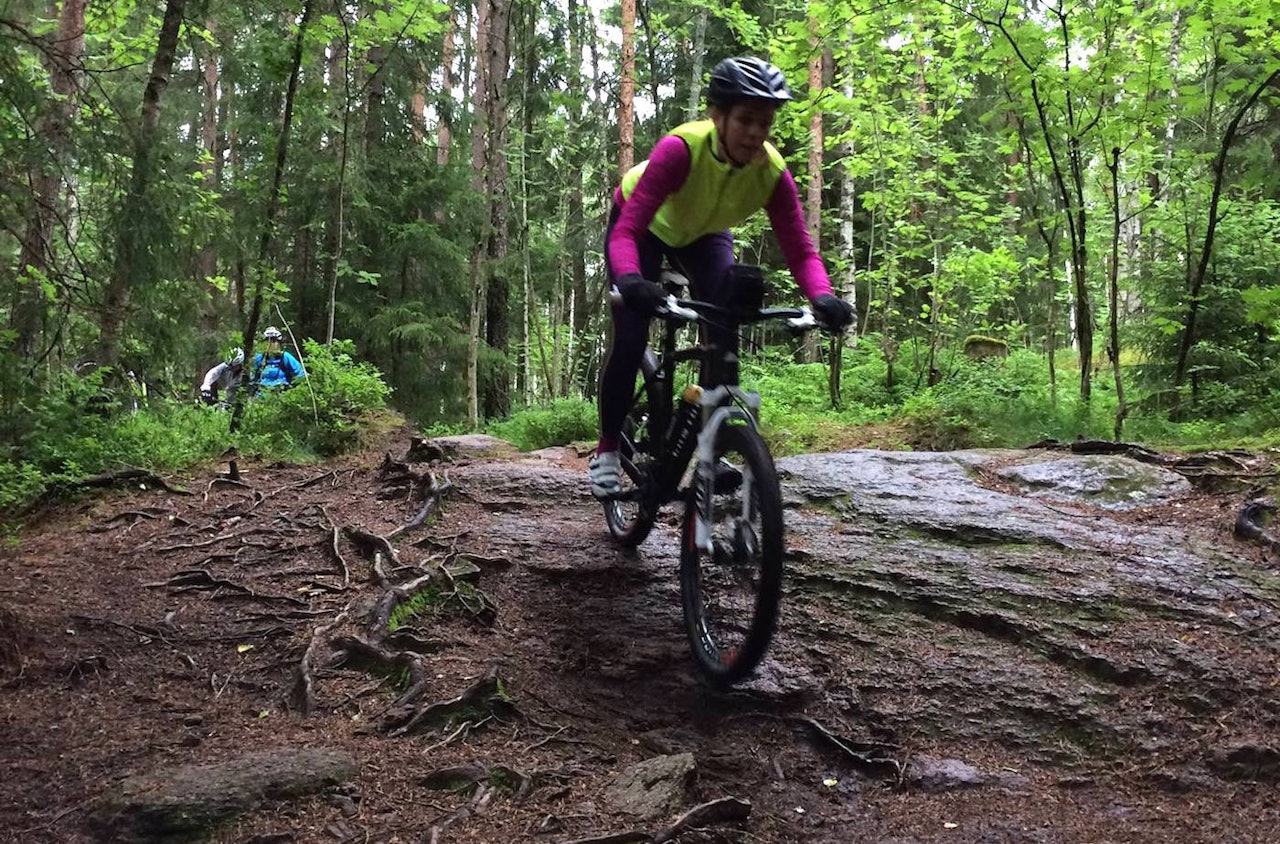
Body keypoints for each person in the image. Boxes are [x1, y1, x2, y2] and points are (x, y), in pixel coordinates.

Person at [589, 56, 855, 499]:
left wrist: (822, 296)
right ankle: (608, 449)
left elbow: (800, 249)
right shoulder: (681, 150)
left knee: (725, 326)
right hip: (644, 228)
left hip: (705, 235)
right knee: (631, 337)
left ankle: (711, 448)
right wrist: (632, 280)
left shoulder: (771, 173)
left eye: (764, 122)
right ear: (717, 115)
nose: (755, 132)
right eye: (746, 119)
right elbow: (627, 231)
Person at [252, 326, 305, 391]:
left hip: (281, 393)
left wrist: (294, 390)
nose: (270, 343)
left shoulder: (285, 357)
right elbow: (253, 378)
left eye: (273, 340)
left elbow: (301, 374)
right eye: (267, 340)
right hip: (262, 393)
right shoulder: (260, 358)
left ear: (279, 343)